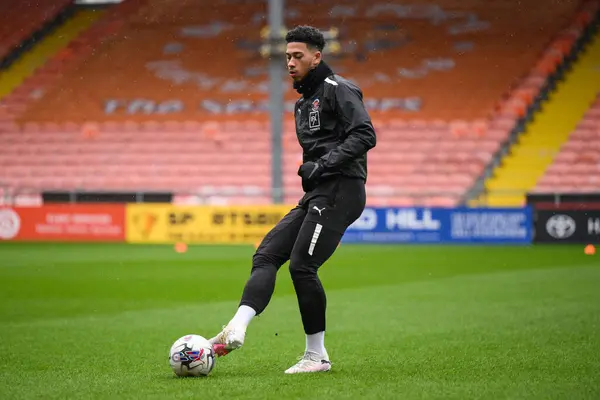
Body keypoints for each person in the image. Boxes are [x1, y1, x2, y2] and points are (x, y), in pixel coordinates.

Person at [209, 25, 377, 374]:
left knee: (302, 266)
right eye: (287, 56)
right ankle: (234, 329)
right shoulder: (303, 104)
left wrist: (323, 165)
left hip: (342, 190)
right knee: (267, 253)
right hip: (319, 193)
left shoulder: (339, 89)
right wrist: (314, 170)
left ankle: (317, 356)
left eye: (297, 56)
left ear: (318, 56)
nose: (290, 63)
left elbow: (365, 134)